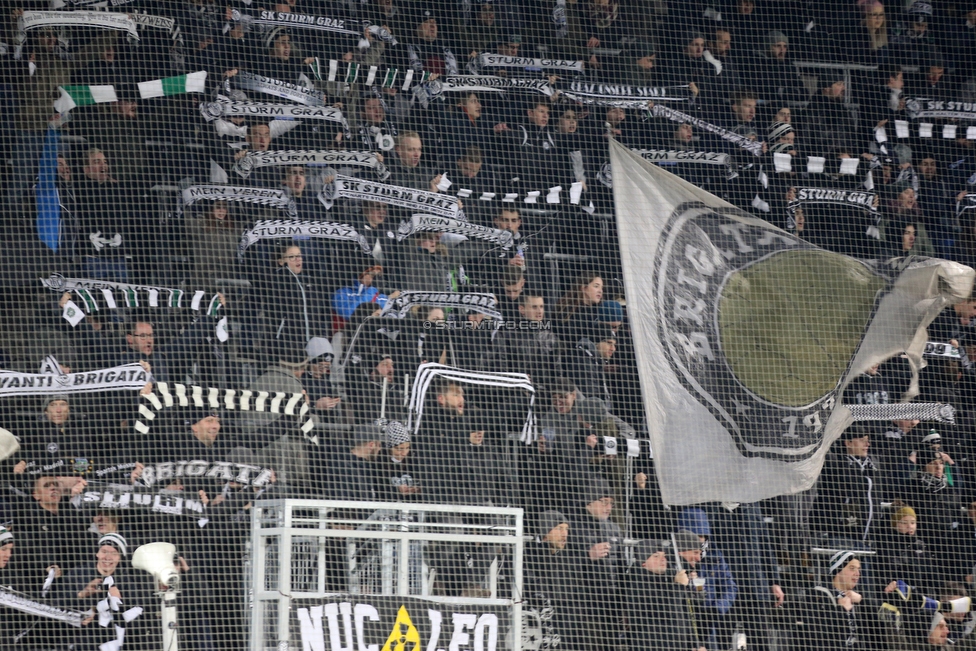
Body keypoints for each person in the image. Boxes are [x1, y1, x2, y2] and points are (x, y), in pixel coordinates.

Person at [570, 479, 623, 651]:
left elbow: (621, 569)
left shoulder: (614, 530)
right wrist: (588, 556)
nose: (608, 507)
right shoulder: (571, 528)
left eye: (611, 503)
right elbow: (559, 565)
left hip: (611, 606)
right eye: (604, 502)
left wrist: (623, 603)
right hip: (583, 607)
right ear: (589, 501)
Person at [626, 538, 702, 651]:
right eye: (656, 556)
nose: (663, 559)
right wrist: (679, 586)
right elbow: (664, 611)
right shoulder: (635, 582)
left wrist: (695, 645)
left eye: (664, 556)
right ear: (643, 562)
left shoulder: (669, 578)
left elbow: (686, 614)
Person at [804, 551, 868, 650]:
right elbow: (818, 631)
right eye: (852, 569)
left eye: (859, 569)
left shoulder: (858, 596)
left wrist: (863, 600)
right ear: (838, 570)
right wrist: (842, 609)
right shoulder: (818, 593)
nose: (857, 574)